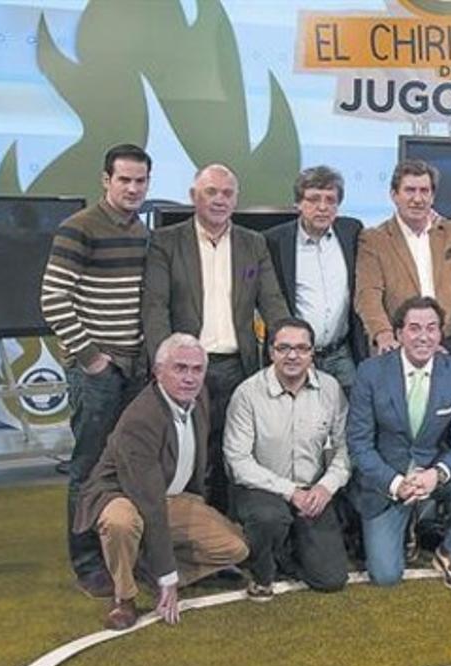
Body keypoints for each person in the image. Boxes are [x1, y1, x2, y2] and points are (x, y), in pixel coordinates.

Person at [72, 333, 249, 631]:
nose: (190, 378)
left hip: (171, 496)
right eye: (180, 368)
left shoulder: (199, 396)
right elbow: (149, 502)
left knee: (236, 548)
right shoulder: (141, 418)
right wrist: (169, 580)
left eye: (197, 369)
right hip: (122, 495)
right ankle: (123, 597)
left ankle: (146, 568)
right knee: (121, 523)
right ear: (158, 371)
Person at [142, 163, 290, 513]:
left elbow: (272, 302)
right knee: (188, 457)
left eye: (227, 193)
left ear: (236, 199)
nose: (220, 199)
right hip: (187, 369)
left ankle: (227, 539)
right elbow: (155, 308)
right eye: (211, 192)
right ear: (194, 196)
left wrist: (289, 346)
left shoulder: (253, 244)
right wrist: (164, 365)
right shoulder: (165, 242)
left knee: (232, 455)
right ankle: (187, 539)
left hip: (238, 368)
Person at [40, 143, 152, 598]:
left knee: (129, 465)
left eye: (140, 181)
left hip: (136, 368)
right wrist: (91, 357)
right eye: (124, 179)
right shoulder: (78, 228)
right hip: (98, 371)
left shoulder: (143, 232)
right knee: (88, 467)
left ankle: (123, 553)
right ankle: (87, 563)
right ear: (105, 180)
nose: (132, 188)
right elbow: (53, 298)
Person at [346, 296, 451, 590]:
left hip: (433, 474)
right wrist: (395, 483)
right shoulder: (370, 372)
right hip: (388, 482)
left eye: (431, 328)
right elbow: (359, 444)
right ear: (399, 333)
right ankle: (408, 526)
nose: (423, 336)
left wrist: (436, 474)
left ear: (441, 333)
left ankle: (448, 551)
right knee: (386, 576)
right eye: (414, 328)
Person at [222, 317, 351, 601]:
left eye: (301, 348)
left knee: (330, 579)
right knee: (268, 518)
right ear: (271, 352)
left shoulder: (331, 390)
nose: (293, 356)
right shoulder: (247, 394)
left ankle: (289, 547)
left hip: (312, 492)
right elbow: (238, 461)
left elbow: (345, 449)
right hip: (263, 490)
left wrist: (325, 487)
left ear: (312, 353)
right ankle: (262, 567)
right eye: (284, 348)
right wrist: (290, 492)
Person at [354, 159, 451, 355]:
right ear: (394, 195)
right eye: (410, 190)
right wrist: (383, 334)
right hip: (399, 347)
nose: (418, 199)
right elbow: (368, 294)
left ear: (433, 196)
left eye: (424, 191)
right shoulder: (374, 239)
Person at [265, 166, 367, 391]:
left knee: (350, 419)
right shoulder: (275, 241)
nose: (322, 207)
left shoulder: (352, 231)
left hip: (342, 354)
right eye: (313, 199)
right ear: (298, 204)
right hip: (297, 357)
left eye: (330, 200)